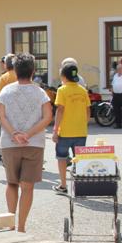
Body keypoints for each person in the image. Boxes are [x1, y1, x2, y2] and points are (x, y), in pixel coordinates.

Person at [0, 53, 52, 233]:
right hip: (34, 143)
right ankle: (21, 227)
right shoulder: (40, 92)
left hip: (10, 143)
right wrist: (28, 134)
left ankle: (10, 222)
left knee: (11, 183)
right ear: (33, 71)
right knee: (27, 186)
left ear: (14, 70)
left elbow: (0, 115)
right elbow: (47, 117)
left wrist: (14, 133)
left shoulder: (6, 91)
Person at [52, 63, 90, 192]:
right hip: (80, 131)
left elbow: (60, 110)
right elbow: (87, 111)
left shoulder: (62, 90)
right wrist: (83, 124)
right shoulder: (83, 90)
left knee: (62, 158)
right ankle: (80, 186)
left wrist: (55, 130)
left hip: (65, 132)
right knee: (79, 159)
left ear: (63, 76)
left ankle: (63, 185)